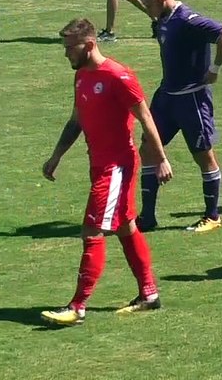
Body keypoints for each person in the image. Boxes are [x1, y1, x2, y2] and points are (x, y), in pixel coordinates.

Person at [39, 19, 174, 326]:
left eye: (70, 49)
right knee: (126, 227)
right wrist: (56, 156)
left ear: (88, 45)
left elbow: (146, 118)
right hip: (98, 165)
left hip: (116, 168)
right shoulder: (81, 77)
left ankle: (78, 306)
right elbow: (76, 121)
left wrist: (161, 158)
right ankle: (149, 294)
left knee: (92, 230)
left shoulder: (118, 76)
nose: (66, 55)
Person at [135, 0, 222, 233]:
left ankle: (212, 215)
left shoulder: (188, 20)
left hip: (191, 99)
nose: (147, 11)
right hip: (166, 97)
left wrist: (214, 68)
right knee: (147, 149)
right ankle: (147, 217)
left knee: (203, 155)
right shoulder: (162, 21)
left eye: (148, 6)